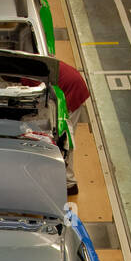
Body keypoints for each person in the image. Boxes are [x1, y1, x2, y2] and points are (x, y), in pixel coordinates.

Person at [57, 61, 90, 196]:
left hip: (72, 91)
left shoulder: (28, 78)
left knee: (65, 137)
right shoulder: (26, 67)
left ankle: (69, 184)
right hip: (69, 87)